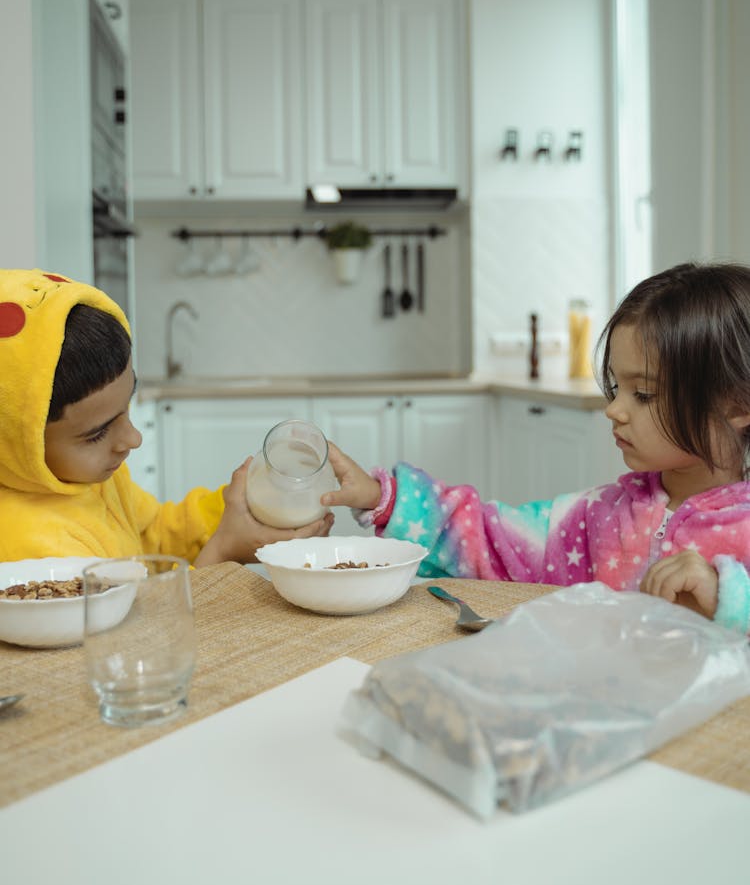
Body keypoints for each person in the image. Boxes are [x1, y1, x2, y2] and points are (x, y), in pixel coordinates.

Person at [322, 261, 750, 635]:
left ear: (737, 405)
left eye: (643, 394)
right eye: (617, 387)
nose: (614, 409)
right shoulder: (596, 516)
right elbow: (489, 540)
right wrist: (384, 498)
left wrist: (727, 598)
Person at [0, 268, 333, 564]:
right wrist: (224, 550)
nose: (132, 439)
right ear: (16, 445)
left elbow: (153, 534)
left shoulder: (89, 476)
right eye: (97, 433)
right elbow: (141, 631)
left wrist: (240, 506)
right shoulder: (37, 554)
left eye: (126, 407)